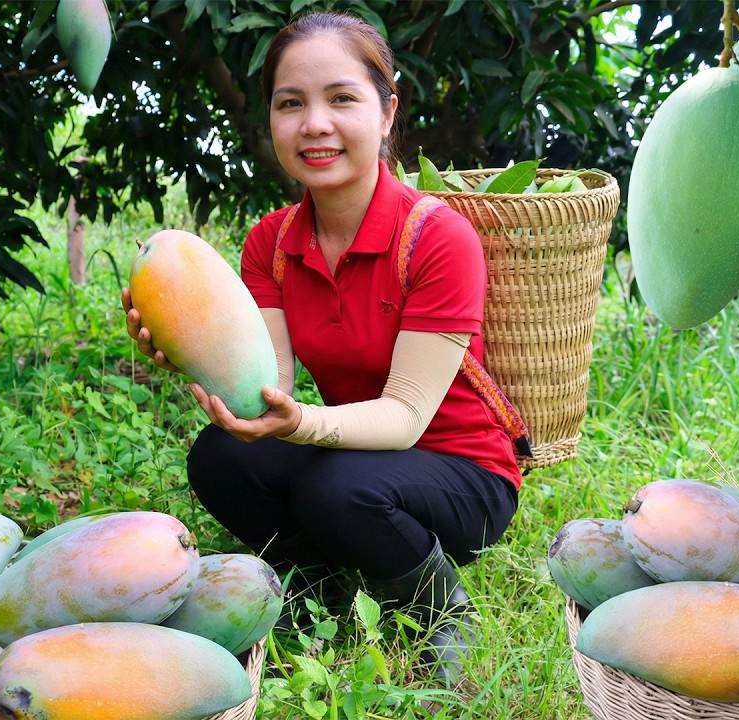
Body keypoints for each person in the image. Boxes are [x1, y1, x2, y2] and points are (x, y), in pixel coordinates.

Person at [122, 11, 522, 685]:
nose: (315, 124)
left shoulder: (438, 238)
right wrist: (187, 348)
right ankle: (318, 582)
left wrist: (304, 425)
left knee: (336, 485)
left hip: (464, 475)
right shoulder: (271, 244)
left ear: (388, 111)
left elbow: (405, 418)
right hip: (360, 455)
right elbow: (266, 384)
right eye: (291, 103)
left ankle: (440, 608)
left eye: (342, 98)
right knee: (220, 458)